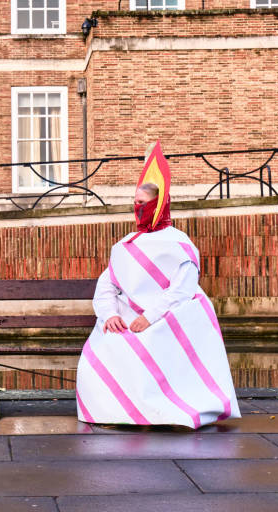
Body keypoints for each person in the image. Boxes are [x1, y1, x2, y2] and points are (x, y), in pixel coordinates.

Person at [75, 143, 240, 428]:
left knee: (155, 341)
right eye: (135, 203)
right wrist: (110, 314)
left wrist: (149, 317)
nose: (137, 208)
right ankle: (115, 414)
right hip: (129, 318)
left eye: (143, 203)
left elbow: (182, 290)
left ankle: (170, 411)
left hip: (168, 317)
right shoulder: (125, 246)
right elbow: (107, 285)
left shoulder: (179, 243)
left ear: (158, 205)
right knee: (103, 347)